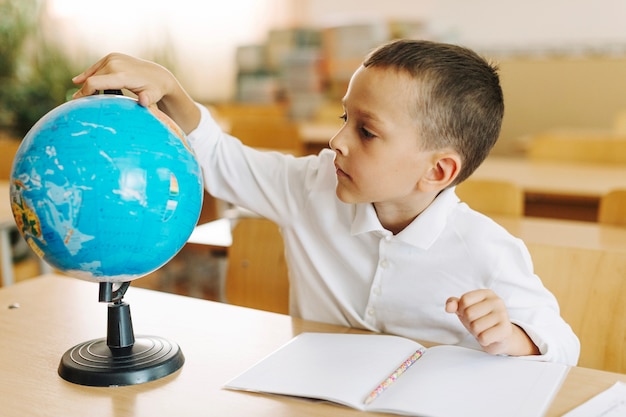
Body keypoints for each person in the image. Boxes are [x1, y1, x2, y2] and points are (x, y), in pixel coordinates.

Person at [73, 39, 580, 365]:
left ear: (439, 171)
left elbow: (564, 349)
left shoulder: (486, 249)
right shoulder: (313, 186)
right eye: (344, 119)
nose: (336, 142)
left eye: (366, 132)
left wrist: (515, 337)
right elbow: (221, 160)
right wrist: (172, 90)